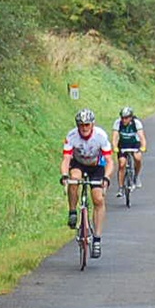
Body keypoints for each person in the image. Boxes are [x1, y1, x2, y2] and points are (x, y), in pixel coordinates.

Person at [61, 108, 112, 257]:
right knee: (74, 179)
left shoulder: (100, 136)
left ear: (92, 124)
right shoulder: (71, 136)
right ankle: (72, 212)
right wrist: (64, 175)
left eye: (87, 125)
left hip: (96, 166)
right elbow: (66, 160)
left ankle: (96, 239)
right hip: (78, 164)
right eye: (81, 125)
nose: (84, 128)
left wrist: (107, 177)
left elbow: (109, 161)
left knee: (98, 198)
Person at [114, 106, 147, 187]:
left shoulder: (136, 123)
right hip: (123, 144)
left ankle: (136, 176)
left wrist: (143, 146)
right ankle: (121, 187)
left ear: (131, 117)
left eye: (126, 118)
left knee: (137, 158)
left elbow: (141, 136)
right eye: (122, 118)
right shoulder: (118, 123)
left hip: (134, 143)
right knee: (122, 164)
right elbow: (115, 136)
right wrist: (115, 147)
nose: (124, 120)